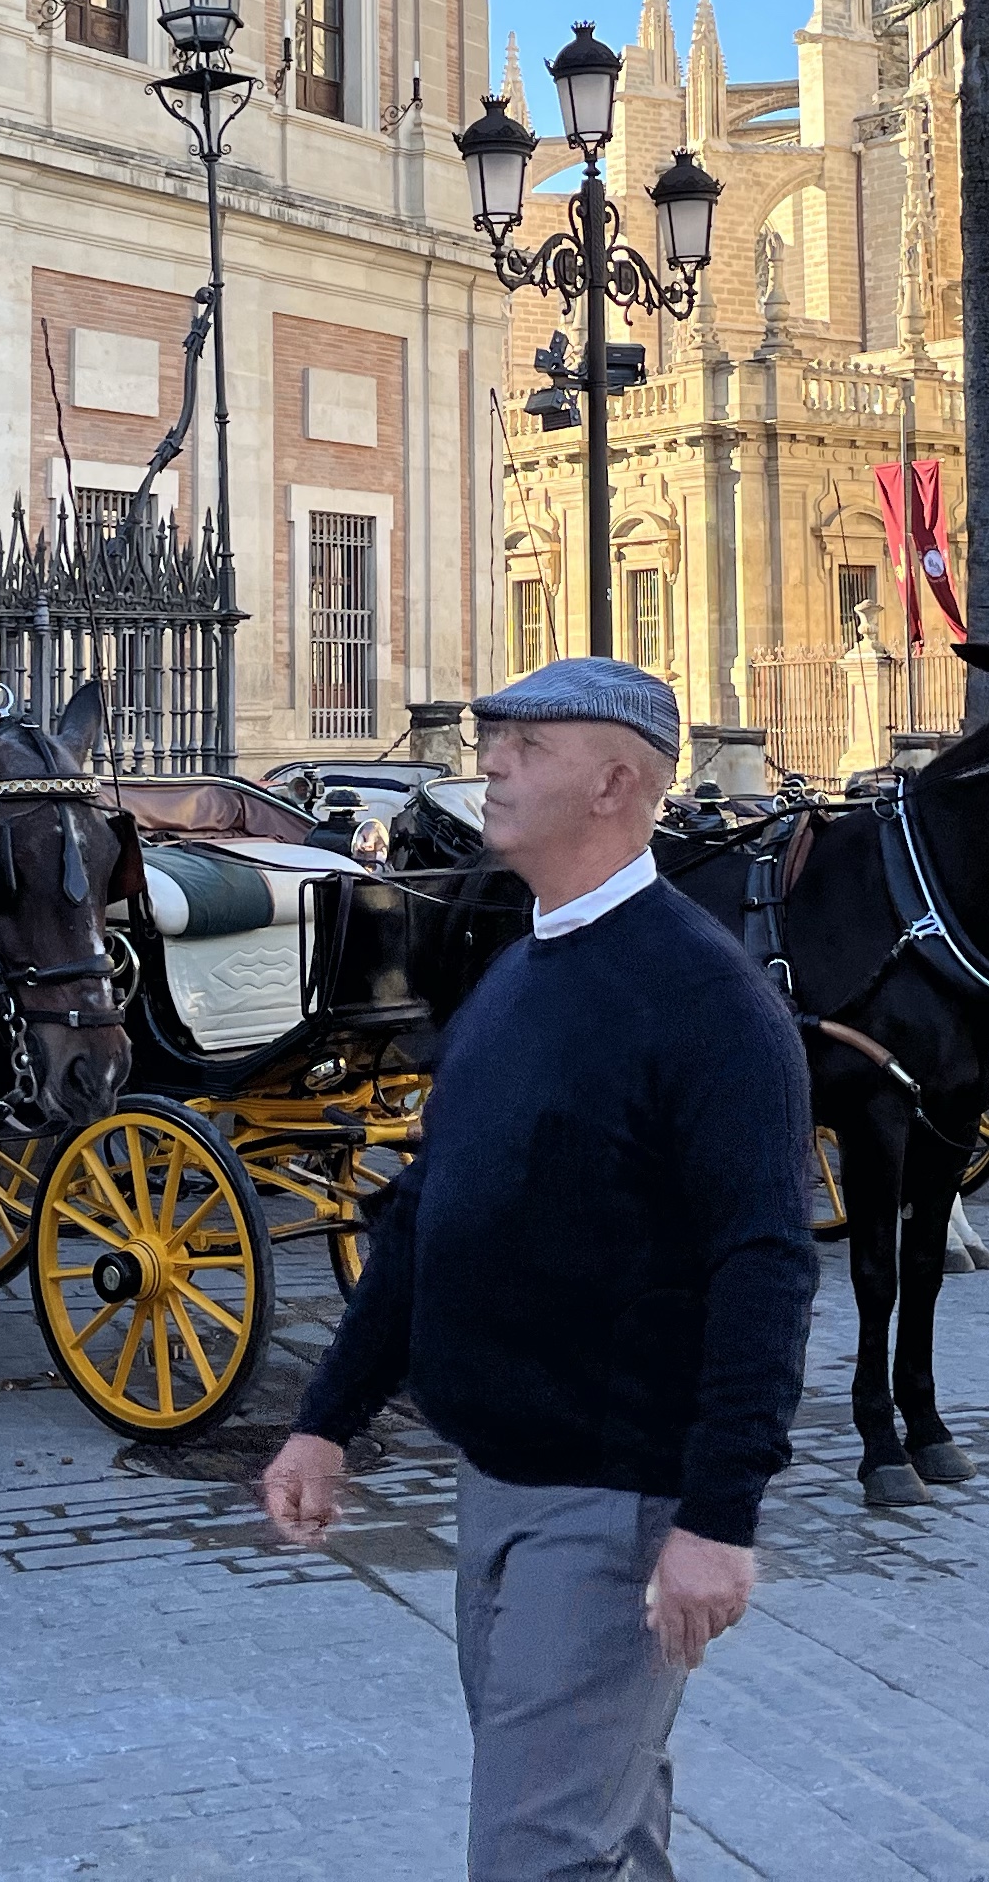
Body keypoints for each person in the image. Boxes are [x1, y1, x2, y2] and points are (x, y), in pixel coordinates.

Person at [261, 658, 815, 1882]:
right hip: (497, 1484)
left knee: (536, 1854)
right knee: (599, 1833)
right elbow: (426, 1217)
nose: (491, 766)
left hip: (616, 1506)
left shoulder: (709, 1002)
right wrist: (325, 1422)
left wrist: (718, 1519)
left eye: (526, 746)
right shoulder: (517, 975)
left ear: (615, 783)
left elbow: (766, 1268)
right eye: (490, 741)